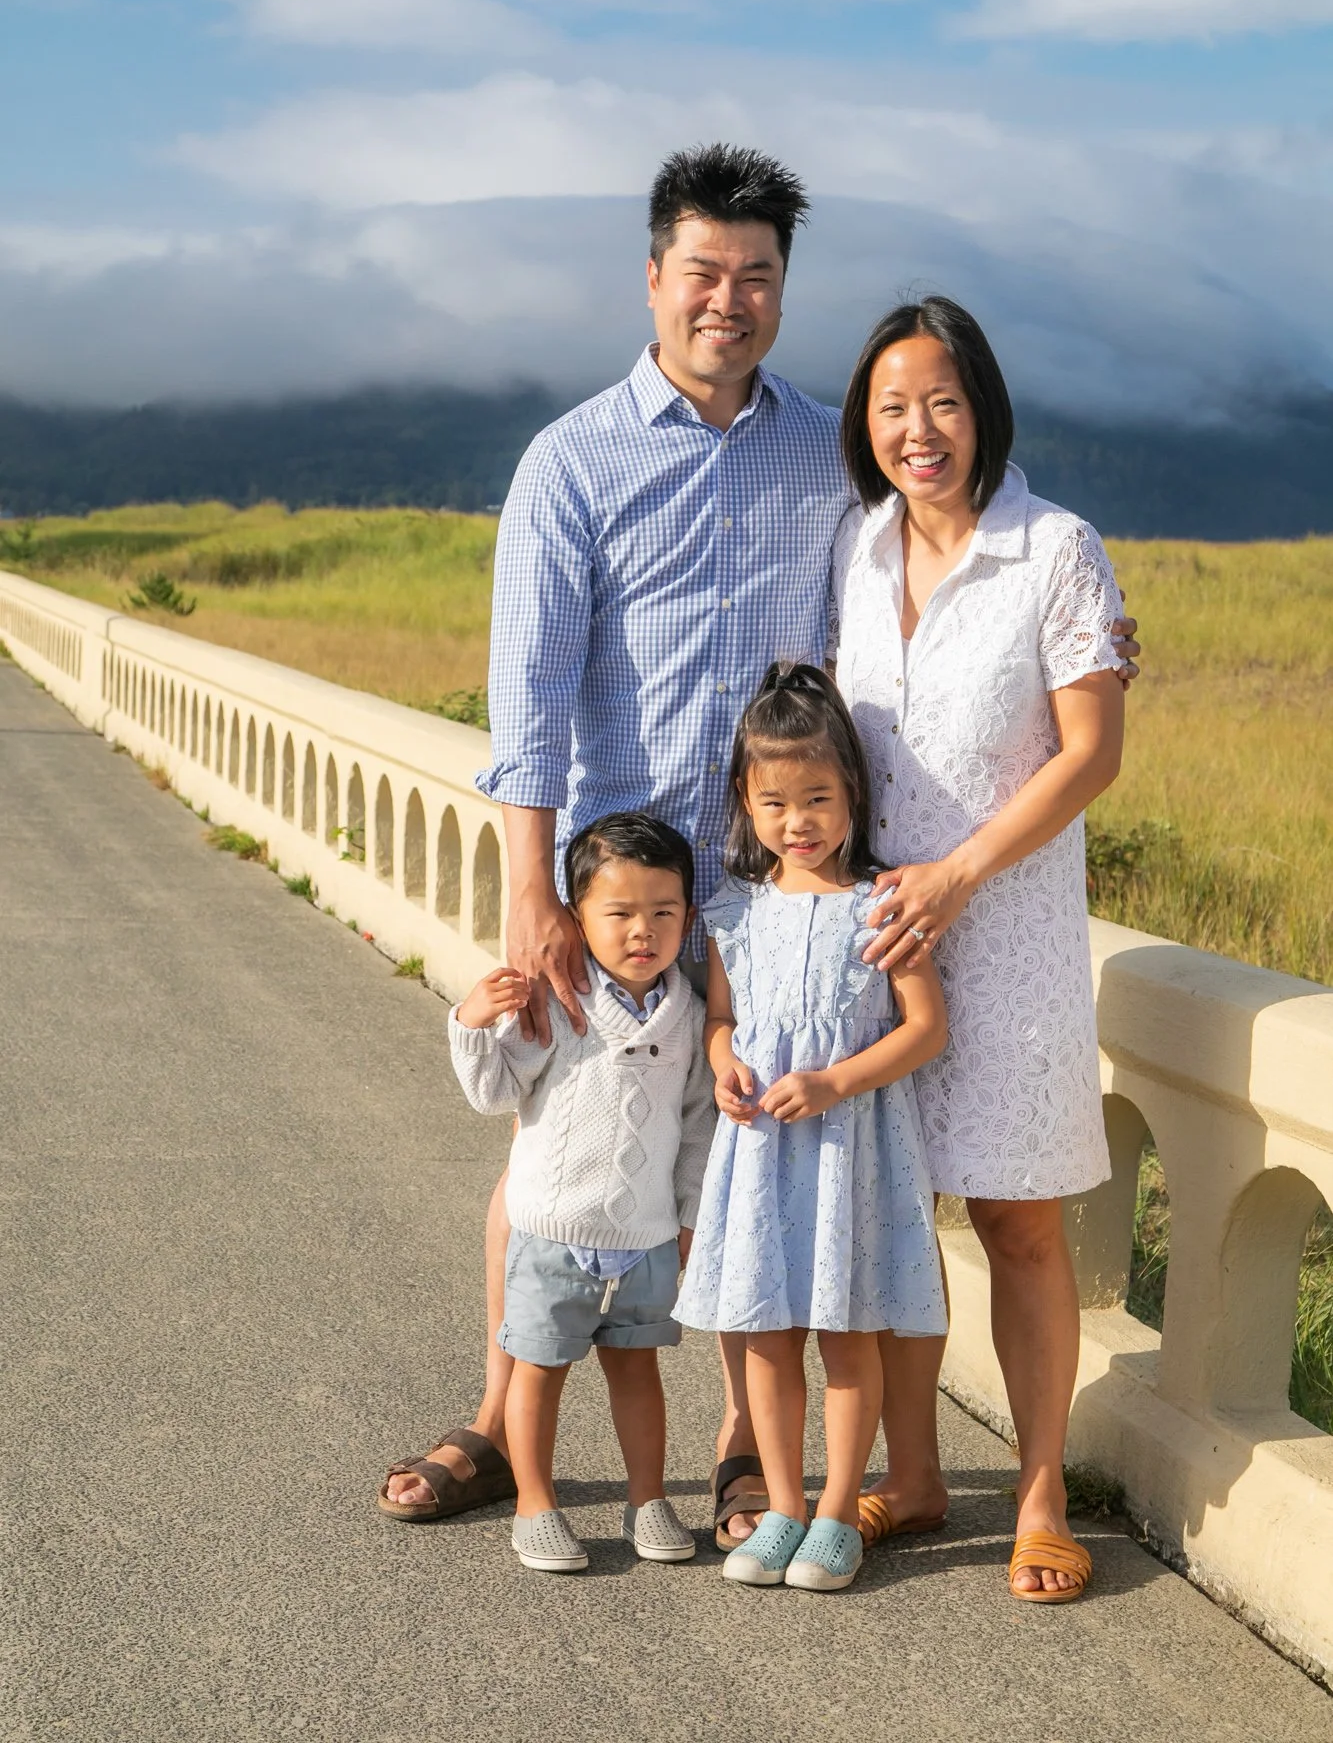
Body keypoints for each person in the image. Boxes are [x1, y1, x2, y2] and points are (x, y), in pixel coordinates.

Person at [377, 144, 1141, 1539]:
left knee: (761, 1162)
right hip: (624, 891)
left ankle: (747, 1449)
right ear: (654, 278)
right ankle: (500, 1418)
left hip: (789, 886)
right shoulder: (571, 461)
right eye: (703, 273)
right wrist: (526, 911)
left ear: (783, 291)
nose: (728, 300)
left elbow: (952, 571)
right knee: (559, 1160)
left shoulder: (825, 453)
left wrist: (1084, 625)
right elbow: (526, 705)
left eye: (757, 277)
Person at [830, 296, 1125, 1604]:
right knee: (900, 1213)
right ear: (866, 426)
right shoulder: (858, 545)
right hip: (882, 937)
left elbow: (1092, 750)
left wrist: (959, 873)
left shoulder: (1054, 548)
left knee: (1015, 1220)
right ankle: (921, 1474)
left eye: (940, 402)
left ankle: (1044, 1494)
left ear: (982, 405)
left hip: (1003, 937)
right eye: (892, 408)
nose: (917, 431)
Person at [675, 665, 948, 1593]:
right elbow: (720, 1021)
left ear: (852, 797)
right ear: (746, 806)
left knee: (844, 1329)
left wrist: (834, 1079)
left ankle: (837, 1512)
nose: (799, 821)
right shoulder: (735, 915)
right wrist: (724, 1069)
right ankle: (781, 1505)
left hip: (847, 1151)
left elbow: (924, 1029)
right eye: (776, 802)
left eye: (819, 798)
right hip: (759, 1154)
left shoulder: (882, 903)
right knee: (763, 1331)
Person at [430, 813, 714, 1572]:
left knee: (638, 1372)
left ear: (688, 916)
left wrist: (687, 1220)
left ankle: (647, 1500)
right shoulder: (555, 1000)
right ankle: (533, 1504)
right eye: (617, 914)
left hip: (644, 1237)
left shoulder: (687, 1013)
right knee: (538, 1372)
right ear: (576, 916)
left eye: (663, 912)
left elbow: (695, 1128)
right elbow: (495, 1096)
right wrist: (471, 1022)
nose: (641, 932)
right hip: (550, 1232)